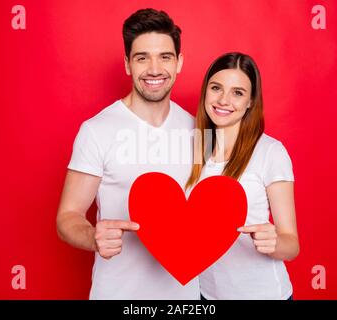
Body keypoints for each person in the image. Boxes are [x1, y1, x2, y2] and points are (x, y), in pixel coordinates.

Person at [56, 8, 199, 300]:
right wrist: (92, 237)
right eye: (142, 57)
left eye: (165, 57)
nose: (155, 69)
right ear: (127, 64)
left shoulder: (197, 129)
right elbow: (68, 216)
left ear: (179, 62)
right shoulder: (97, 130)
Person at [185, 52, 300, 300]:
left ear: (250, 102)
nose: (224, 100)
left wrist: (274, 243)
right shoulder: (195, 148)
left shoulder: (270, 152)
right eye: (216, 88)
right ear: (206, 91)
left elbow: (291, 246)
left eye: (237, 92)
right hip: (205, 295)